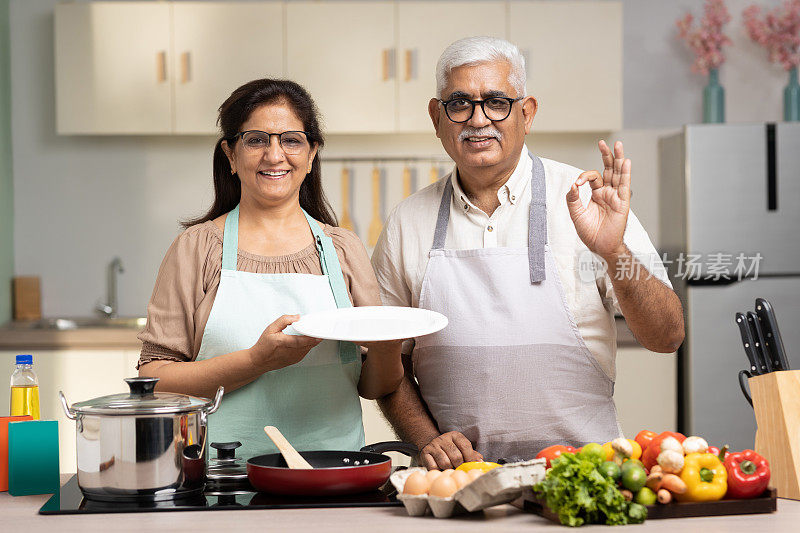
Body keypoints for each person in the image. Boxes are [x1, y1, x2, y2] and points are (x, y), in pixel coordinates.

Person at [371, 37, 685, 469]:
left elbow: (667, 337)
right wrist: (426, 440)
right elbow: (386, 361)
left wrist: (613, 251)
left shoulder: (588, 200)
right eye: (459, 103)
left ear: (527, 112)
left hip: (584, 475)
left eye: (497, 101)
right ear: (436, 116)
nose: (478, 119)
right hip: (460, 481)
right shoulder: (407, 222)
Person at [138, 79, 403, 458]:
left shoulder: (343, 249)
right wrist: (256, 361)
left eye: (291, 140)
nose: (275, 155)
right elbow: (154, 379)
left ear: (311, 154)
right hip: (224, 480)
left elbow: (374, 385)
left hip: (334, 479)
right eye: (257, 140)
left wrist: (389, 346)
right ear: (230, 154)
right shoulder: (197, 248)